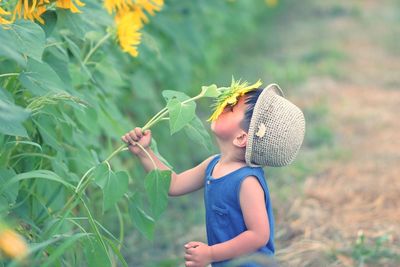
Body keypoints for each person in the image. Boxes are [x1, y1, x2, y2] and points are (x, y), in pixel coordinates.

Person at [121, 81, 305, 267]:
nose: (224, 104)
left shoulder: (247, 182)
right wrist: (145, 153)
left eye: (231, 107)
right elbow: (173, 184)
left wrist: (211, 253)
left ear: (241, 138)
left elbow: (259, 235)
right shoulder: (213, 164)